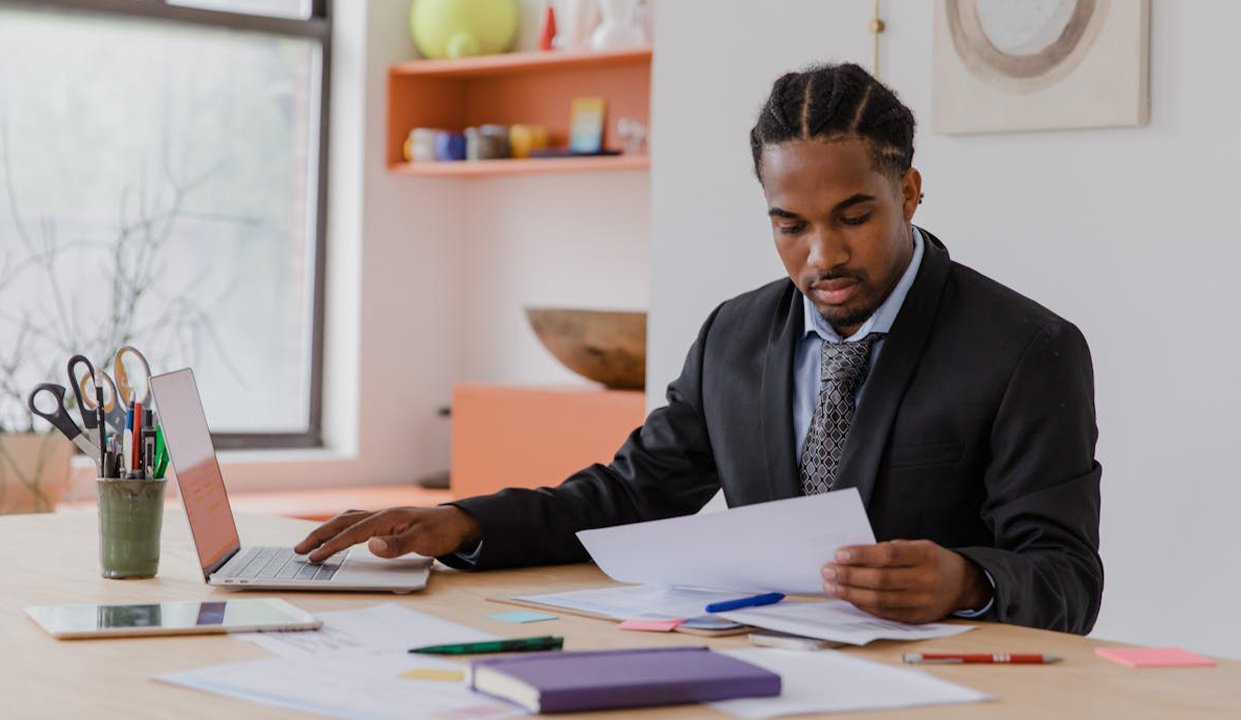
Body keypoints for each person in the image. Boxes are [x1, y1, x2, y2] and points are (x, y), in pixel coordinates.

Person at [296, 63, 1103, 634]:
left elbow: (1067, 576)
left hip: (953, 692)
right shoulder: (736, 335)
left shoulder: (1028, 349)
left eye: (853, 216)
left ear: (910, 192)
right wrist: (462, 522)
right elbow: (628, 497)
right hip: (762, 672)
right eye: (791, 226)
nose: (821, 255)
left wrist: (968, 581)